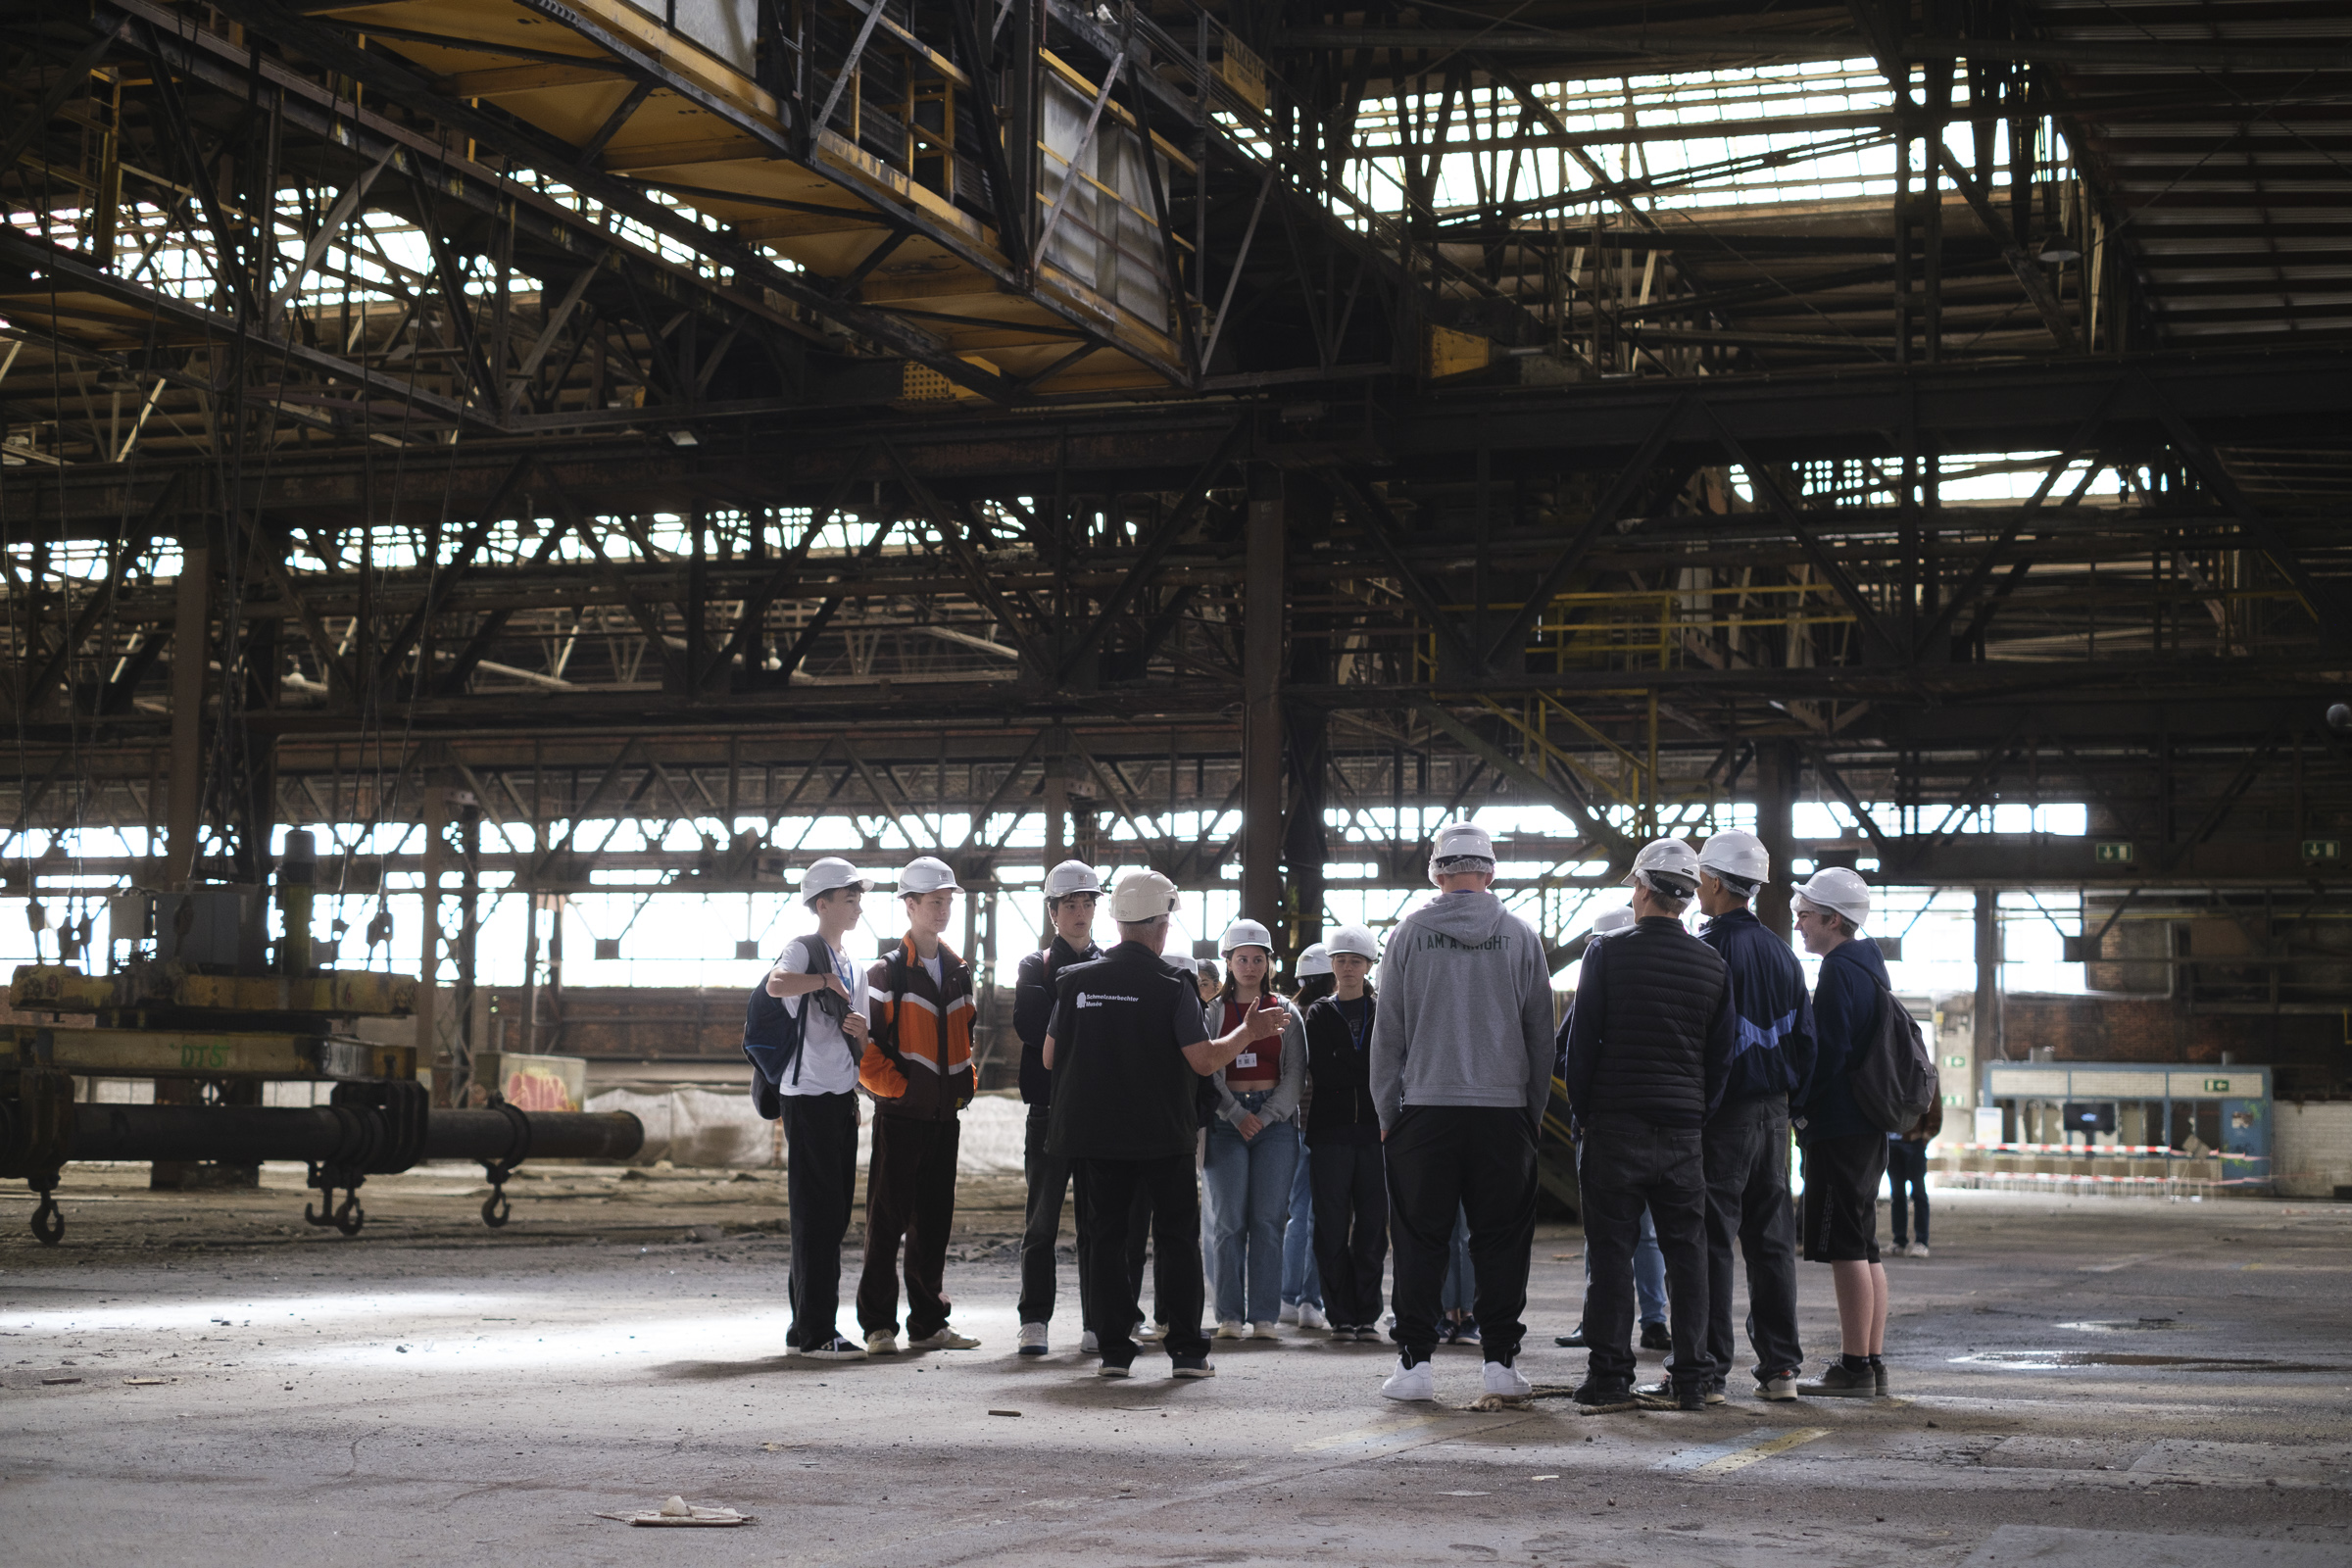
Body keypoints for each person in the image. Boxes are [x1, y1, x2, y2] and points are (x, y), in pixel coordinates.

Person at [1042, 870, 1284, 1378]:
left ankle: (1112, 1353)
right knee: (1175, 1240)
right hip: (1161, 1136)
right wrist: (1249, 1031)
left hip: (1096, 1136)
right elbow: (1202, 1061)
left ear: (1117, 921)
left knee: (1105, 1240)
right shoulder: (1172, 986)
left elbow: (1049, 1057)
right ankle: (1187, 1355)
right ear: (1160, 925)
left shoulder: (1074, 981)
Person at [1370, 821, 1557, 1403]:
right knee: (1500, 1240)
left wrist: (1387, 1112)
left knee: (1421, 1239)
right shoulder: (1522, 937)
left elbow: (1388, 1036)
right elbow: (1540, 1036)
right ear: (1491, 872)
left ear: (1436, 872)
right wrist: (1530, 1113)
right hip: (1503, 1114)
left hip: (1424, 1110)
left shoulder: (1406, 936)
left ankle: (1415, 1366)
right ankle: (1500, 1363)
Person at [1559, 838, 1736, 1413]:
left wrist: (1584, 1117)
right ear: (1685, 898)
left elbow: (1580, 1049)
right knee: (1688, 1256)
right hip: (1683, 1132)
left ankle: (1609, 1377)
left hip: (1615, 1126)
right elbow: (1722, 1057)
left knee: (1611, 1253)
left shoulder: (1606, 953)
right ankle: (1691, 1378)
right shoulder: (1713, 963)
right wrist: (1695, 1113)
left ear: (1641, 889)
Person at [1694, 829, 1816, 1402]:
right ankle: (1781, 1369)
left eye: (1699, 877)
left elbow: (1703, 1041)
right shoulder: (1782, 953)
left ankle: (1709, 1367)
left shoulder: (1708, 949)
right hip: (1777, 1116)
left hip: (1725, 1115)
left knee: (1711, 1237)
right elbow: (1807, 1042)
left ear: (1715, 882)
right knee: (1771, 1240)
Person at [858, 856, 982, 1355]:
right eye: (934, 902)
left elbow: (967, 1038)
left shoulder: (959, 971)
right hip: (901, 1117)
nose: (943, 910)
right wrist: (900, 1091)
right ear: (909, 906)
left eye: (948, 901)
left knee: (933, 1222)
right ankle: (878, 1326)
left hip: (943, 1117)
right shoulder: (885, 973)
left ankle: (929, 1323)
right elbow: (865, 1048)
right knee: (886, 1223)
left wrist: (963, 1087)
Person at [764, 858, 877, 1361]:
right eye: (848, 897)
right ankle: (816, 1331)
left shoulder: (851, 959)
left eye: (858, 898)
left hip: (836, 1097)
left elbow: (861, 1031)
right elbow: (776, 985)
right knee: (816, 1215)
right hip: (806, 1096)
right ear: (822, 903)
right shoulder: (806, 949)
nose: (856, 906)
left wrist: (860, 1035)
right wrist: (824, 983)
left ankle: (804, 1326)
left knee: (829, 1216)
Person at [1789, 865, 1893, 1398]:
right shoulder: (1869, 964)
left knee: (1845, 1246)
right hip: (1867, 1125)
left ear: (1833, 918)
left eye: (1805, 915)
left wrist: (1798, 1105)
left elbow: (1826, 1054)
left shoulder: (1839, 972)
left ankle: (1853, 1367)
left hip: (1839, 1125)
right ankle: (1870, 1361)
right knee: (1865, 1245)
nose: (1799, 924)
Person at [1552, 906, 1670, 1355]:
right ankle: (1654, 1322)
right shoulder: (1660, 980)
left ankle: (1598, 1323)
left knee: (1604, 1233)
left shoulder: (1594, 989)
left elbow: (1564, 1055)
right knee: (1650, 1233)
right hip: (1657, 1126)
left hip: (1603, 1126)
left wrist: (1588, 1100)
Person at [1013, 859, 1103, 1357]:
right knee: (1041, 1221)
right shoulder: (1034, 965)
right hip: (1049, 1108)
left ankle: (1097, 1322)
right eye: (1070, 904)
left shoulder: (1109, 960)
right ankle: (1034, 1320)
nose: (1080, 912)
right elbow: (1029, 1024)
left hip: (1093, 1109)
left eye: (1088, 902)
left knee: (1096, 1221)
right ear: (1053, 912)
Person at [1202, 918, 1304, 1339]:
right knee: (1228, 1222)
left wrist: (1265, 1115)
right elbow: (1206, 1069)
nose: (1249, 965)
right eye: (1241, 958)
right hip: (1227, 1123)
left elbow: (1297, 1073)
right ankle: (1229, 1315)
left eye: (1257, 959)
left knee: (1267, 1220)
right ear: (1227, 962)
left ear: (1268, 964)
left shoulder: (1287, 1013)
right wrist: (1235, 1113)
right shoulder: (1213, 1013)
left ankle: (1264, 1316)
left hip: (1274, 1124)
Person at [1298, 923, 1387, 1342]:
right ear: (1332, 965)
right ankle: (1340, 1317)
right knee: (1331, 1227)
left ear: (1368, 965)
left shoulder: (1384, 1010)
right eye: (1341, 961)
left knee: (1372, 1227)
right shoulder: (1318, 1013)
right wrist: (1361, 1068)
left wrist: (1348, 1063)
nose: (1348, 967)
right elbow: (1324, 1071)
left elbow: (1386, 1067)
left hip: (1375, 1134)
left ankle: (1366, 1315)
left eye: (1356, 961)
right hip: (1331, 1134)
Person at [1280, 943, 1332, 1330]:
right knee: (1319, 1217)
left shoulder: (1290, 1016)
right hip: (1328, 1128)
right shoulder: (1333, 1014)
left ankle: (1284, 1296)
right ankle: (1309, 1302)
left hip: (1296, 1125)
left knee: (1297, 1215)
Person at [1888, 1101, 1940, 1257]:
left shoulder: (1922, 1074)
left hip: (1913, 1141)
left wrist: (1925, 1136)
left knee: (1918, 1193)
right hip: (1891, 1140)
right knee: (1897, 1194)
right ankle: (1899, 1241)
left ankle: (1921, 1242)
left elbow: (1934, 1107)